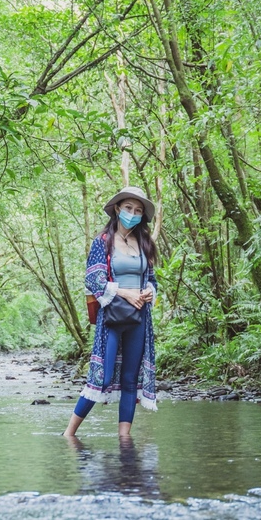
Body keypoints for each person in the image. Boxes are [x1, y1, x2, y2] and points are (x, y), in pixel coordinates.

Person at [63, 186, 158, 438]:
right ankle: (69, 434)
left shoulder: (144, 243)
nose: (133, 213)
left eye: (138, 210)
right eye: (128, 208)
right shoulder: (102, 242)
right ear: (117, 209)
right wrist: (125, 292)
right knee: (102, 378)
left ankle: (124, 439)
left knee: (129, 380)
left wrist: (148, 291)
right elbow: (93, 279)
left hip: (139, 317)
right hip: (112, 317)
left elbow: (152, 279)